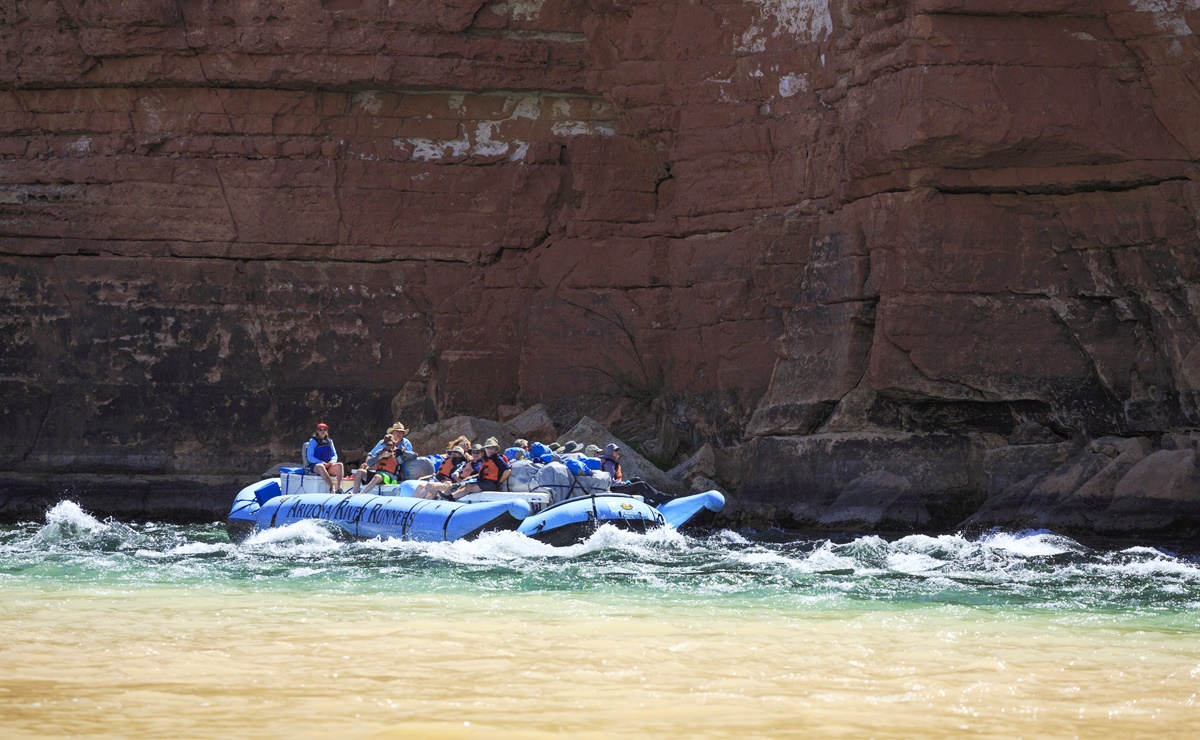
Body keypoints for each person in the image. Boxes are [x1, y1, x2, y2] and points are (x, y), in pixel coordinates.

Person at [305, 423, 344, 493]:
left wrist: (332, 461)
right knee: (320, 467)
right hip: (316, 465)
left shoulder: (330, 441)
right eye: (320, 430)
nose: (322, 431)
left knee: (340, 465)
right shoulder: (313, 441)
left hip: (328, 465)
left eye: (324, 429)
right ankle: (332, 487)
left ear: (327, 431)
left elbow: (335, 455)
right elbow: (310, 457)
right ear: (317, 431)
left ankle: (340, 488)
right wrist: (322, 463)